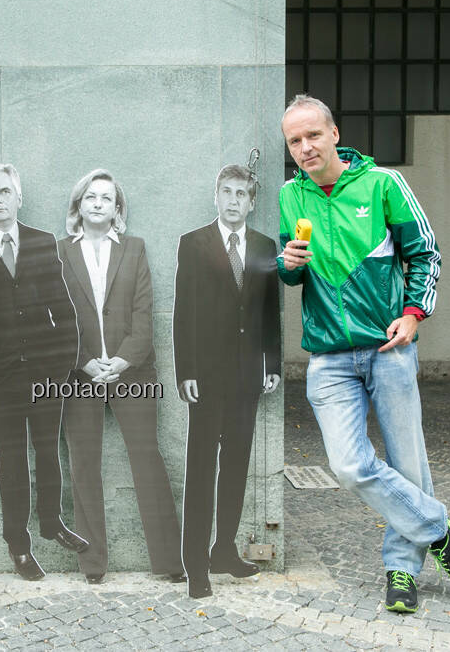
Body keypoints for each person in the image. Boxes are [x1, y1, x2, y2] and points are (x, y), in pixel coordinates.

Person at [278, 94, 450, 614]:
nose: (304, 147)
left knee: (407, 464)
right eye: (294, 141)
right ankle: (445, 531)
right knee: (347, 465)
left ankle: (401, 572)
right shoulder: (289, 197)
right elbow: (292, 272)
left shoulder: (382, 184)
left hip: (388, 348)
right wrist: (288, 262)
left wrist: (413, 315)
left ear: (334, 134)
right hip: (328, 355)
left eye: (312, 135)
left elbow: (425, 252)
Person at [0, 163, 88, 581]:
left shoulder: (42, 242)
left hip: (48, 371)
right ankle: (19, 543)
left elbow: (62, 306)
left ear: (18, 197)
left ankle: (52, 523)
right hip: (1, 374)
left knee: (48, 451)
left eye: (4, 192)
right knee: (11, 459)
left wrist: (66, 361)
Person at [57, 169, 184, 585]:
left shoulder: (135, 249)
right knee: (83, 465)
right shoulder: (59, 253)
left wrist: (122, 362)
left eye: (106, 198)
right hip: (78, 375)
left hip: (133, 371)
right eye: (90, 197)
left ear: (117, 208)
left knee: (147, 459)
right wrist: (86, 360)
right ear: (79, 205)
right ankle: (93, 564)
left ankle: (169, 561)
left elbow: (144, 316)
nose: (97, 203)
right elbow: (57, 320)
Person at [172, 164, 281, 598]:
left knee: (236, 466)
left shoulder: (264, 246)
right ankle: (195, 564)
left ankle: (224, 550)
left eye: (242, 194)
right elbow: (184, 313)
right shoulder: (194, 244)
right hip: (207, 377)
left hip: (247, 376)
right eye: (227, 192)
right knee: (201, 469)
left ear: (252, 202)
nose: (234, 200)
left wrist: (271, 361)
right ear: (216, 196)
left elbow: (268, 310)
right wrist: (186, 372)